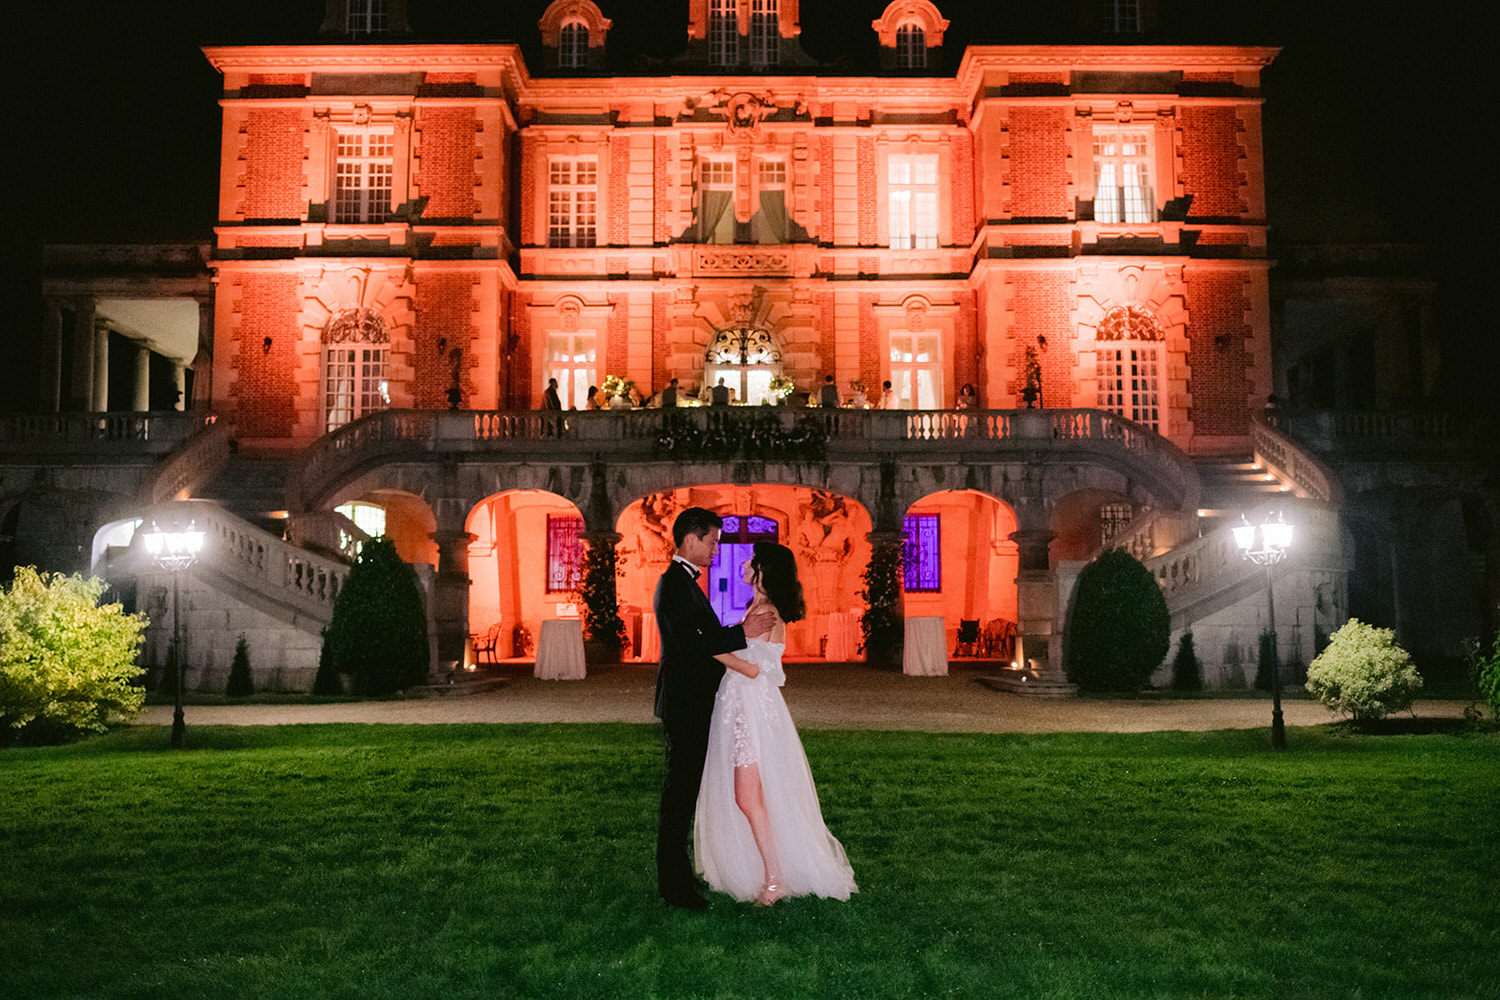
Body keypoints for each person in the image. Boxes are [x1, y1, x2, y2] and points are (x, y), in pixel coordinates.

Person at [696, 542, 858, 906]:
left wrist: (714, 651)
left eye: (751, 561)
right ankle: (769, 872)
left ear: (763, 569)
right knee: (751, 797)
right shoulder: (756, 607)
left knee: (748, 797)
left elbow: (761, 669)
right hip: (739, 704)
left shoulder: (766, 611)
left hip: (751, 709)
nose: (744, 565)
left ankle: (775, 879)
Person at [653, 508, 775, 911]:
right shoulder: (673, 584)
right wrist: (743, 633)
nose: (716, 549)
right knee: (679, 796)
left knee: (685, 793)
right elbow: (690, 642)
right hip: (685, 705)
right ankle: (674, 887)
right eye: (712, 541)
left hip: (693, 703)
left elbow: (700, 636)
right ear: (691, 538)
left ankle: (680, 874)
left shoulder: (684, 584)